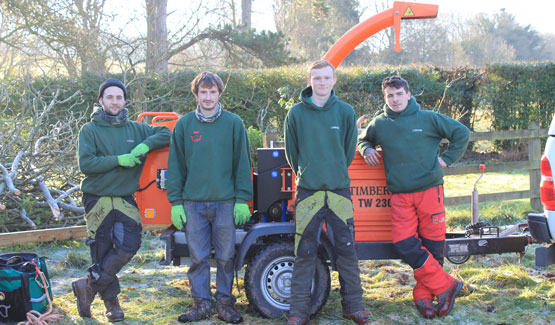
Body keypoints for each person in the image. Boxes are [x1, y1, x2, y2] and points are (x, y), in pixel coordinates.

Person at [357, 76, 470, 319]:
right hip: (400, 195)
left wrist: (446, 159)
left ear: (408, 94)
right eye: (390, 96)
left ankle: (423, 295)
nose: (395, 99)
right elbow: (363, 138)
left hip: (430, 191)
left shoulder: (427, 118)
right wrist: (366, 148)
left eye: (399, 94)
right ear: (385, 98)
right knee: (404, 244)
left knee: (432, 247)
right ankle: (446, 285)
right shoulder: (380, 123)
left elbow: (461, 132)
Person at [74, 79, 171, 321]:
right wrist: (120, 159)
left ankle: (87, 287)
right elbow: (86, 164)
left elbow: (166, 132)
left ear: (125, 100)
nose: (115, 102)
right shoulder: (89, 130)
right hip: (97, 198)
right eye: (110, 97)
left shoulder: (135, 129)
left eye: (119, 97)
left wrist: (144, 147)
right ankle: (112, 305)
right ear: (101, 101)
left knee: (130, 245)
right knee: (102, 249)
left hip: (125, 198)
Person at [284, 60, 370, 325]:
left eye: (326, 78)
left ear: (334, 80)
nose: (321, 82)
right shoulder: (296, 114)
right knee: (304, 251)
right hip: (308, 192)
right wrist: (309, 173)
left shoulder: (345, 112)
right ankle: (299, 310)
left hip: (338, 192)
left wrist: (332, 173)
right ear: (309, 81)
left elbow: (346, 151)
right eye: (316, 78)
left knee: (346, 250)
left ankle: (353, 306)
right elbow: (292, 153)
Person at [166, 72, 253, 324]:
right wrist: (176, 202)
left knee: (226, 257)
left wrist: (242, 199)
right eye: (202, 92)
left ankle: (225, 304)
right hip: (193, 203)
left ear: (219, 93)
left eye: (212, 92)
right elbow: (177, 166)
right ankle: (201, 304)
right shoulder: (184, 125)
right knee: (198, 257)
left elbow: (242, 163)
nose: (207, 97)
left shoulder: (233, 123)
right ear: (196, 94)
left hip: (226, 202)